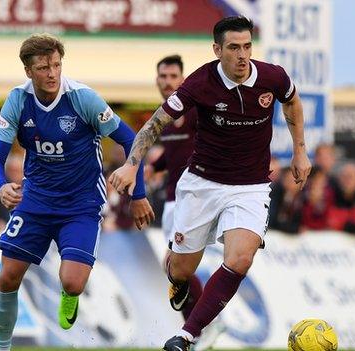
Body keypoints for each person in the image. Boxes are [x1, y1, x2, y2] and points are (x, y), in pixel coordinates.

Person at [109, 16, 311, 351]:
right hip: (202, 185)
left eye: (247, 46)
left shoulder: (272, 76)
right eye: (233, 48)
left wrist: (300, 152)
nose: (242, 55)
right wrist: (132, 166)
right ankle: (180, 282)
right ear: (217, 50)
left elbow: (292, 101)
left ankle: (187, 336)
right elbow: (155, 124)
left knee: (240, 259)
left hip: (251, 186)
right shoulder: (200, 82)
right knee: (179, 270)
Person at [0, 33, 153, 351]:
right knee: (8, 277)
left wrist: (138, 193)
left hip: (81, 203)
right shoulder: (17, 101)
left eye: (56, 65)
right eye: (43, 68)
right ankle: (0, 347)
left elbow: (131, 139)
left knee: (72, 282)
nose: (51, 74)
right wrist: (1, 185)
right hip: (34, 199)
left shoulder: (82, 98)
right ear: (28, 71)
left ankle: (70, 295)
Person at [148, 54, 224, 349]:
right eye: (163, 77)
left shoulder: (195, 112)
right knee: (175, 269)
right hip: (171, 200)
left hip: (195, 199)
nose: (167, 83)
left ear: (182, 80)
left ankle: (207, 325)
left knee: (177, 266)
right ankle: (193, 333)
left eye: (172, 77)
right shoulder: (165, 116)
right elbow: (172, 153)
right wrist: (153, 168)